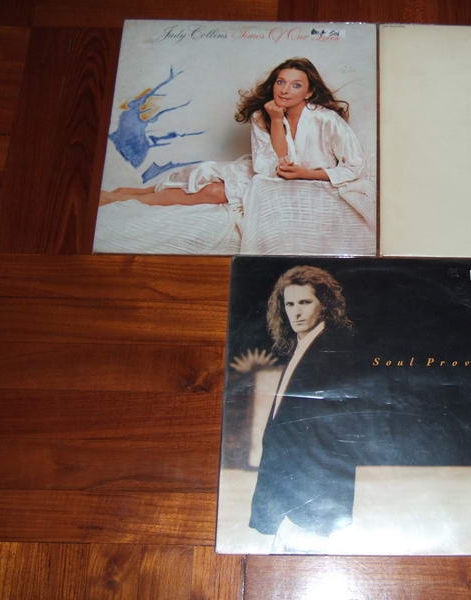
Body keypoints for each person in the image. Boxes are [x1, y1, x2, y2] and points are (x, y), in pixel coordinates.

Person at [94, 58, 375, 255]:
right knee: (205, 176)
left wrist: (307, 173)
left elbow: (356, 166)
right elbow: (268, 165)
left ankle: (127, 198)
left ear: (309, 92)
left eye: (296, 85)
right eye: (280, 82)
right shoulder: (262, 115)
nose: (285, 90)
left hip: (312, 183)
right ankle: (128, 194)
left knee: (214, 191)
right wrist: (277, 120)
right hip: (273, 176)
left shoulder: (327, 120)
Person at [248, 266, 362, 542]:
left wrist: (308, 515)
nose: (296, 312)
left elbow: (331, 442)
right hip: (289, 500)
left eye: (305, 302)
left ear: (324, 306)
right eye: (290, 304)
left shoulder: (331, 353)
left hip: (307, 507)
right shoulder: (304, 346)